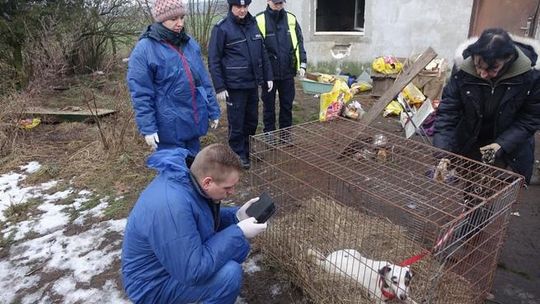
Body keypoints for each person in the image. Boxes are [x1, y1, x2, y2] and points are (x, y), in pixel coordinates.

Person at [122, 144, 267, 303]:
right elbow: (192, 271)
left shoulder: (189, 180)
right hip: (151, 287)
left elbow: (198, 215)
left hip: (170, 266)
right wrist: (238, 232)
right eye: (228, 187)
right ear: (208, 182)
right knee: (229, 275)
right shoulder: (171, 207)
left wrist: (237, 217)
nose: (232, 192)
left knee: (232, 250)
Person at [433, 28, 540, 184]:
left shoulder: (531, 76)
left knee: (499, 191)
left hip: (510, 145)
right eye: (478, 65)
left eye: (492, 69)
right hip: (473, 139)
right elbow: (448, 112)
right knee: (472, 187)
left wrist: (500, 145)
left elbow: (530, 118)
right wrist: (443, 154)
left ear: (509, 59)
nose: (482, 74)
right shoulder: (463, 69)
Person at [127, 0, 220, 157]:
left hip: (193, 120)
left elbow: (203, 81)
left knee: (193, 169)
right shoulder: (145, 49)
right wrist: (148, 127)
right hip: (169, 127)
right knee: (173, 173)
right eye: (174, 19)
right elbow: (141, 92)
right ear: (161, 19)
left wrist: (213, 110)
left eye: (182, 17)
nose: (180, 23)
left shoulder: (190, 44)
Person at [208, 0, 274, 170]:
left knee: (252, 121)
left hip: (253, 83)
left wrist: (268, 76)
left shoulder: (253, 25)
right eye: (239, 7)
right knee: (237, 123)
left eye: (245, 7)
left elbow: (263, 52)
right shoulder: (222, 28)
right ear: (231, 7)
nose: (242, 10)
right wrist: (220, 86)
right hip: (235, 86)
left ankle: (247, 149)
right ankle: (237, 154)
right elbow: (214, 60)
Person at [256, 0, 307, 134]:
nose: (279, 6)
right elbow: (256, 49)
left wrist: (302, 63)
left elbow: (299, 42)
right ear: (268, 1)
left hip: (287, 71)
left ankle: (286, 134)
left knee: (286, 105)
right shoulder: (259, 20)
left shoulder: (291, 19)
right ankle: (270, 134)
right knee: (268, 107)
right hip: (268, 74)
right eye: (276, 3)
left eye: (281, 3)